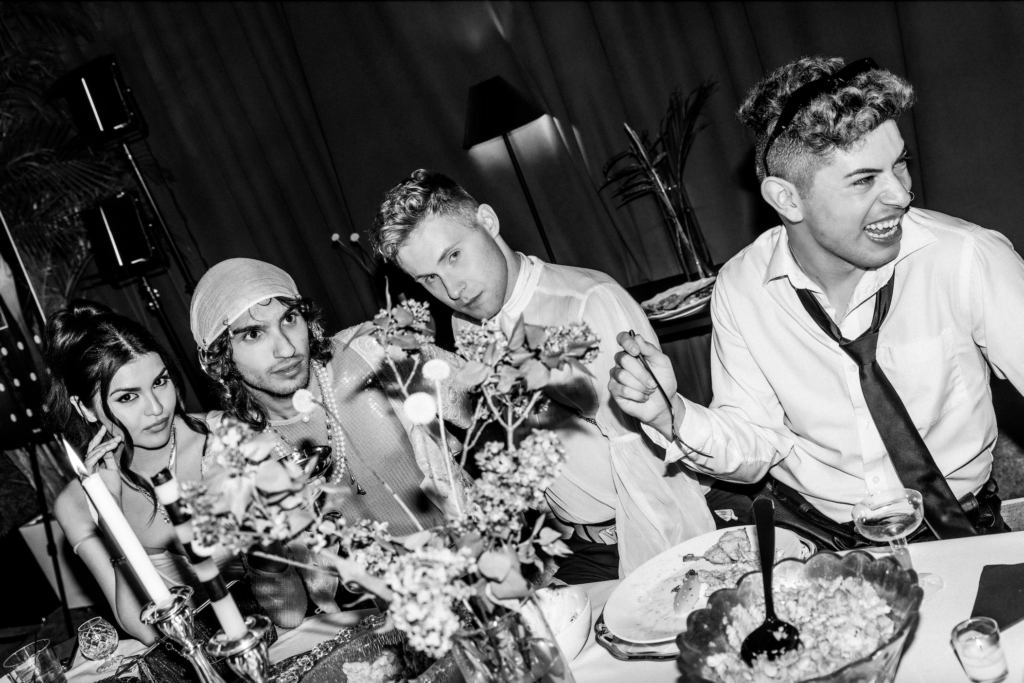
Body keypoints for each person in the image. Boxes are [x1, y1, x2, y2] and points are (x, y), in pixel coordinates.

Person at [609, 55, 1023, 549]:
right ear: (786, 200)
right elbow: (754, 443)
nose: (901, 194)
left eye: (900, 164)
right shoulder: (742, 288)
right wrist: (670, 414)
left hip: (962, 531)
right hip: (817, 543)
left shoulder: (968, 258)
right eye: (865, 180)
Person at [369, 169, 720, 582]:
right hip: (577, 545)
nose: (453, 289)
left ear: (488, 221)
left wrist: (660, 572)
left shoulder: (587, 304)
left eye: (453, 256)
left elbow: (651, 450)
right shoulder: (465, 322)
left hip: (653, 530)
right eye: (428, 278)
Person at [189, 257, 468, 609]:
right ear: (220, 358)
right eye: (254, 334)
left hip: (474, 573)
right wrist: (263, 550)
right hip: (374, 626)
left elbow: (496, 403)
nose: (287, 349)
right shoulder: (236, 456)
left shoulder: (374, 355)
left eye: (289, 319)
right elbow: (288, 615)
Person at [47, 301, 305, 643]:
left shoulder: (227, 442)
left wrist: (264, 547)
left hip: (282, 633)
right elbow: (143, 629)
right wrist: (111, 514)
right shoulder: (76, 502)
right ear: (85, 408)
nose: (156, 409)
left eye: (160, 382)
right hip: (190, 657)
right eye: (127, 397)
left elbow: (292, 611)